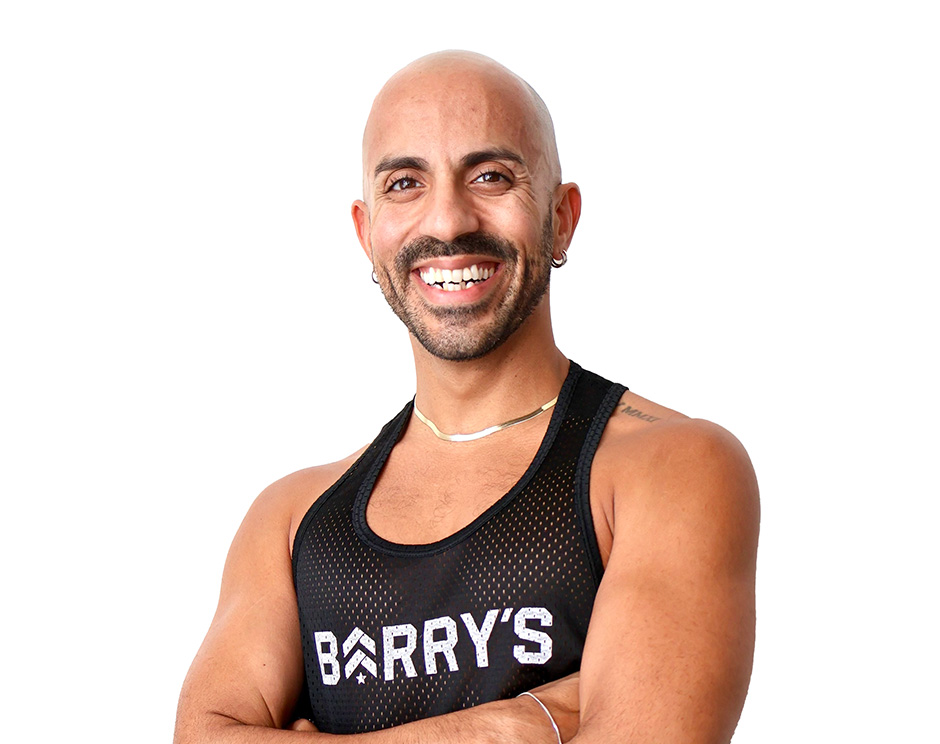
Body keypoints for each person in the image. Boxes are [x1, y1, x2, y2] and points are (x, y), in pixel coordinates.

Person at [174, 50, 760, 743]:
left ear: (562, 217)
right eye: (404, 184)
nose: (448, 222)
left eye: (490, 177)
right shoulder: (291, 520)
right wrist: (507, 728)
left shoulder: (671, 468)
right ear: (367, 235)